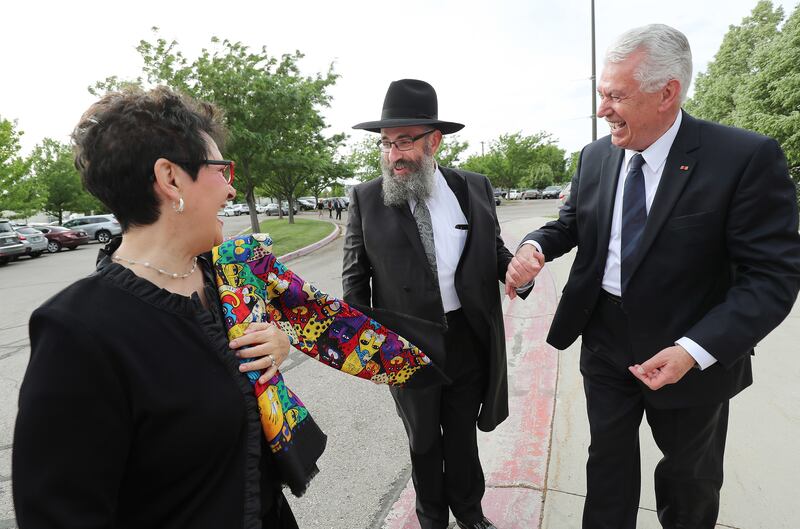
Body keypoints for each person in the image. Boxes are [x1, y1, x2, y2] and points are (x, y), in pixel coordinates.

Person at [505, 24, 800, 529]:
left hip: (689, 350)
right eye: (601, 94)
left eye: (616, 95)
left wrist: (694, 350)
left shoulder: (744, 158)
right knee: (607, 472)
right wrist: (535, 247)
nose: (602, 110)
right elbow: (573, 222)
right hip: (603, 341)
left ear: (667, 93)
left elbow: (772, 276)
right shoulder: (596, 155)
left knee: (689, 483)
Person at [13, 87, 299, 529]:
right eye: (221, 169)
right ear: (170, 178)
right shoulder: (78, 330)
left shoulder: (227, 282)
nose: (231, 186)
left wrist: (276, 345)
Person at [343, 79, 530, 529]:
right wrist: (364, 346)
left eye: (405, 142)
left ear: (434, 140)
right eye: (387, 144)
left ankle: (469, 512)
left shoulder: (474, 187)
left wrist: (515, 270)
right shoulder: (366, 198)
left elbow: (493, 249)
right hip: (406, 343)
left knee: (463, 436)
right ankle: (432, 518)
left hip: (467, 334)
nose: (394, 154)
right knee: (423, 440)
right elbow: (354, 279)